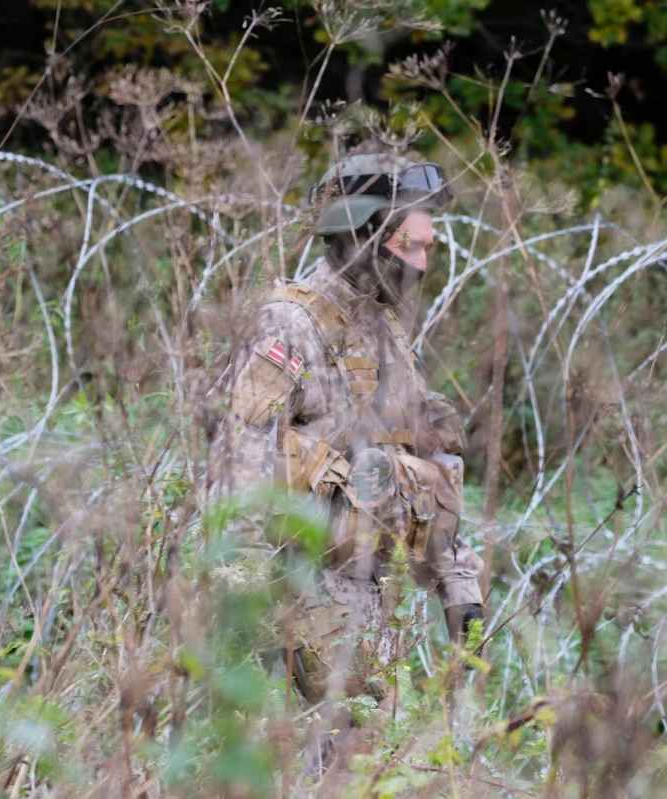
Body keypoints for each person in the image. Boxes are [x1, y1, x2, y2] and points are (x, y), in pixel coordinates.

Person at [206, 153, 486, 736]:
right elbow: (240, 461)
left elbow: (424, 470)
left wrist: (458, 584)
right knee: (362, 760)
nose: (423, 263)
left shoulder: (383, 332)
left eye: (427, 247)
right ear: (363, 235)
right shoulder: (290, 324)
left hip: (365, 590)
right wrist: (245, 609)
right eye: (411, 245)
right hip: (298, 585)